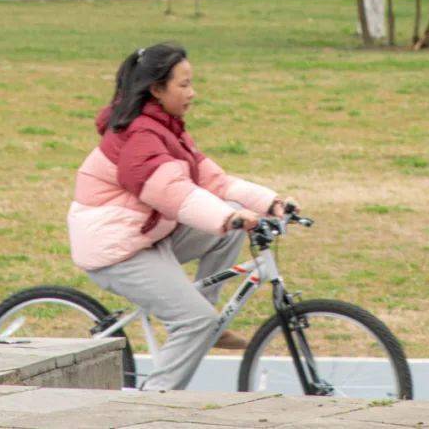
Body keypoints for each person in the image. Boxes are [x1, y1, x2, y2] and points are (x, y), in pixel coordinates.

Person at [67, 42, 294, 392]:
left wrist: (270, 202)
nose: (193, 92)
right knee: (197, 322)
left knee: (228, 235)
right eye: (184, 85)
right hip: (116, 247)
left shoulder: (167, 128)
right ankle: (151, 407)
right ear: (157, 89)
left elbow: (213, 180)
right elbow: (175, 194)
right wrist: (230, 215)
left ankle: (200, 320)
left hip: (144, 231)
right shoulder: (141, 137)